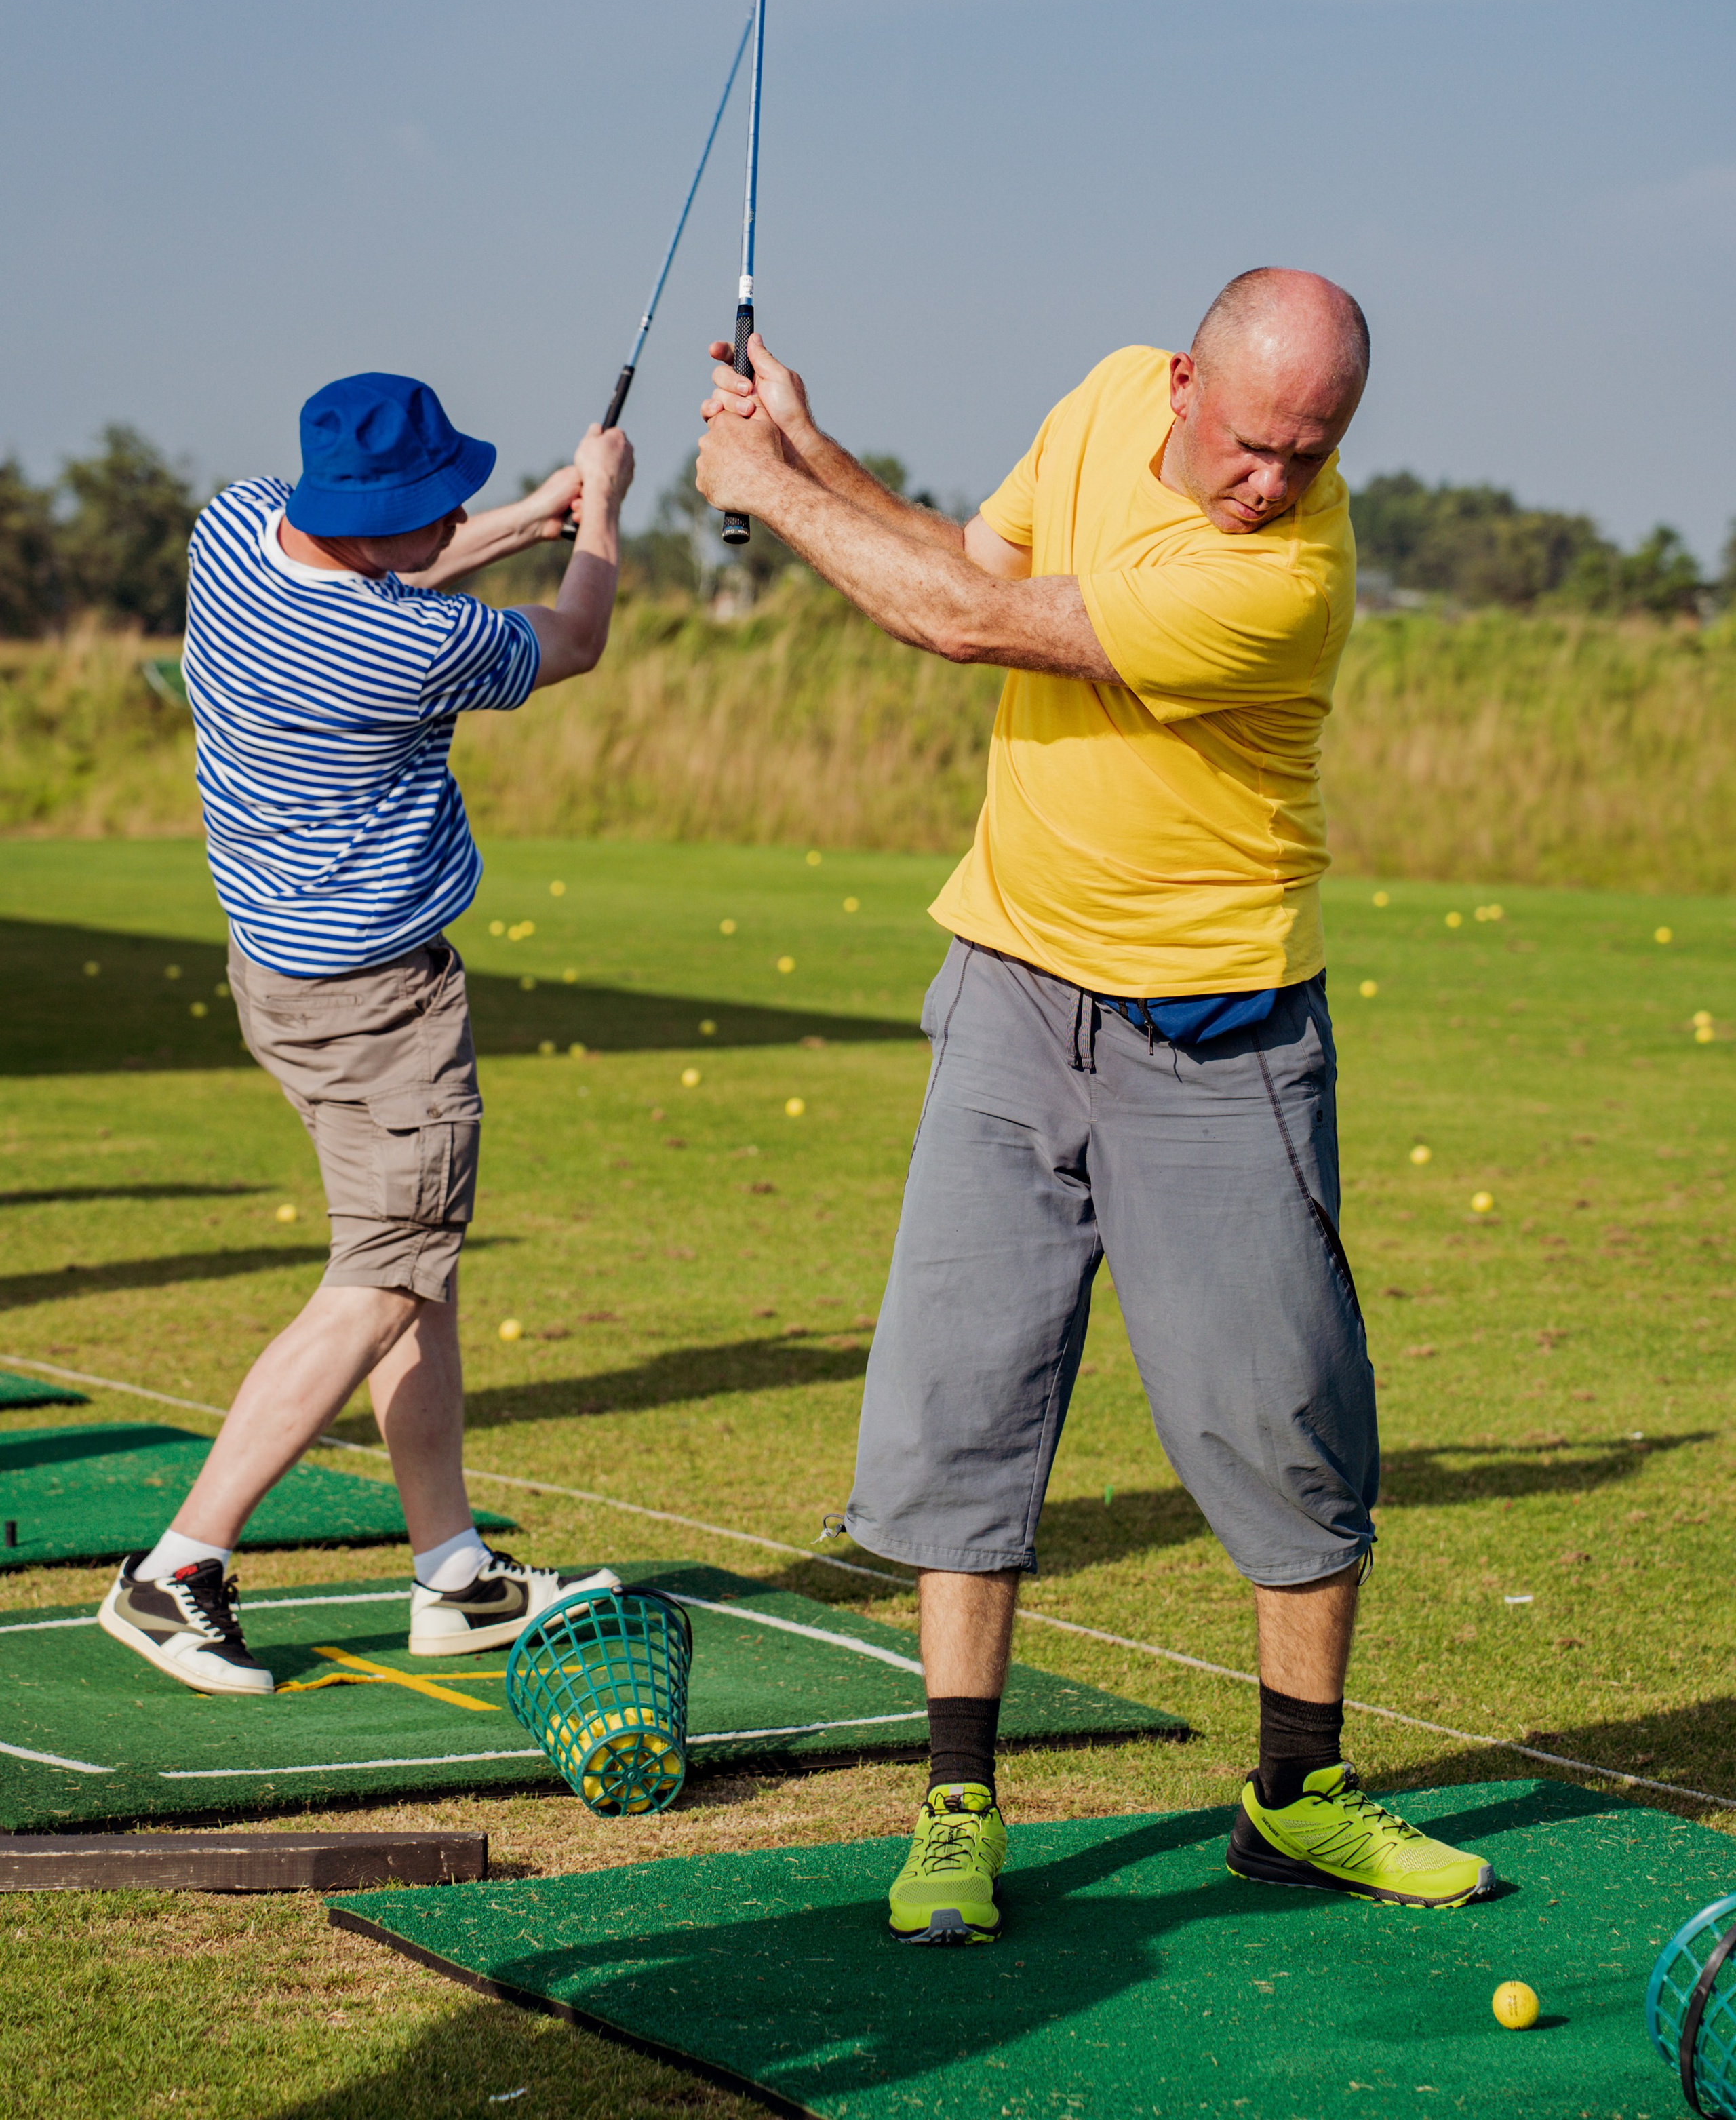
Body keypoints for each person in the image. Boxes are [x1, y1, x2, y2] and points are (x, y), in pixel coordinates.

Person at [694, 269, 1492, 1940]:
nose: (1273, 477)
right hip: (1006, 992)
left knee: (1277, 1416)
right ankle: (958, 1804)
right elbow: (978, 566)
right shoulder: (1109, 390)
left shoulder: (1280, 580)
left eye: (1312, 449)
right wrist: (813, 455)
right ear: (1187, 379)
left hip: (1218, 1038)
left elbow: (961, 627)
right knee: (960, 1394)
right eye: (1255, 440)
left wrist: (763, 494)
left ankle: (1295, 1799)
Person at [99, 370, 633, 1695]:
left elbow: (406, 547)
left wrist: (531, 511)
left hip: (277, 974)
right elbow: (573, 640)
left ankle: (455, 1572)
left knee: (413, 1269)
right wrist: (604, 515)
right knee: (386, 1277)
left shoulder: (229, 526)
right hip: (380, 1009)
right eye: (435, 499)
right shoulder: (410, 644)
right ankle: (176, 1568)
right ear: (383, 520)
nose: (453, 509)